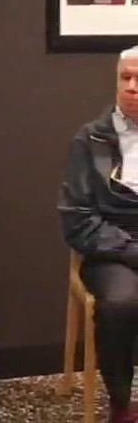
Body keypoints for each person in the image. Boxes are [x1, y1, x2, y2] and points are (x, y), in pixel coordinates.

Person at [59, 46, 138, 423]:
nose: (132, 87)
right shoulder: (90, 139)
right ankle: (121, 405)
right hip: (110, 246)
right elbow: (77, 219)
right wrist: (130, 249)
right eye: (126, 78)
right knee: (120, 304)